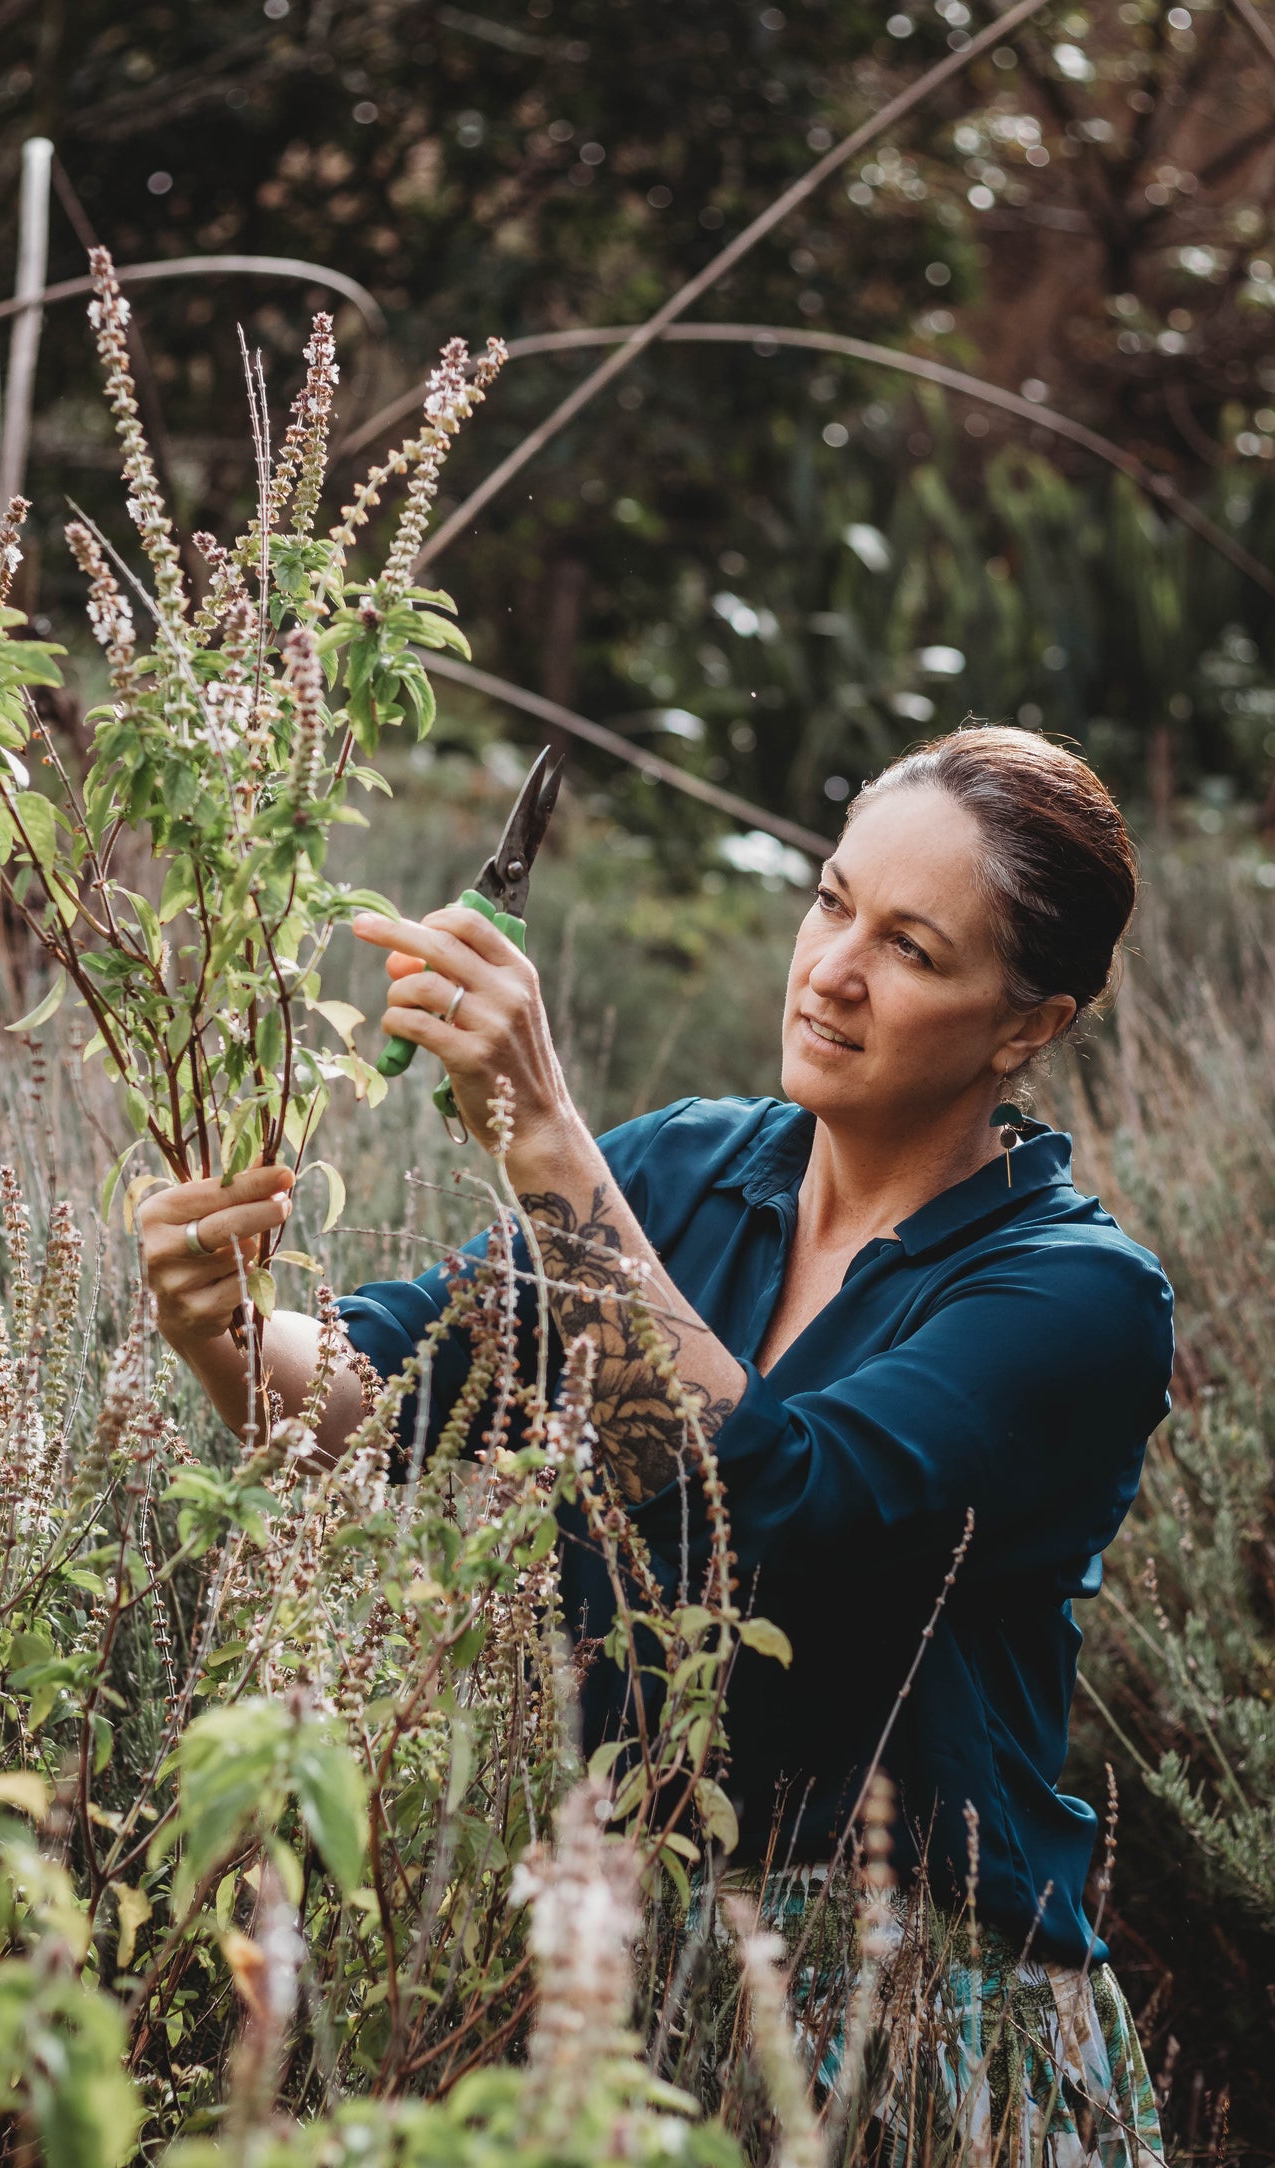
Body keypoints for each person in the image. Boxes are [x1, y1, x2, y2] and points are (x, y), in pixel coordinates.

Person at [143, 725, 1172, 2162]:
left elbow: (762, 1519)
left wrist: (550, 1147)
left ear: (1027, 1027)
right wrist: (220, 1328)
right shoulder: (681, 1172)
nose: (831, 971)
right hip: (630, 1991)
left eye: (912, 950)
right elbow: (377, 1399)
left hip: (919, 2017)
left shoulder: (1073, 1298)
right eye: (828, 902)